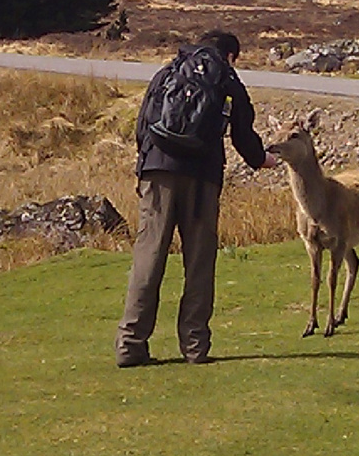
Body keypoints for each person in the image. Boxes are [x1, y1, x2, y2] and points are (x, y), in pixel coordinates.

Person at [115, 29, 279, 366]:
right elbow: (242, 132)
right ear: (231, 55)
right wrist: (260, 159)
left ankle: (130, 344)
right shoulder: (226, 78)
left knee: (149, 256)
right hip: (202, 176)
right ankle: (194, 346)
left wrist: (145, 166)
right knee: (199, 263)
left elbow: (143, 123)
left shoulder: (168, 72)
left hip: (157, 171)